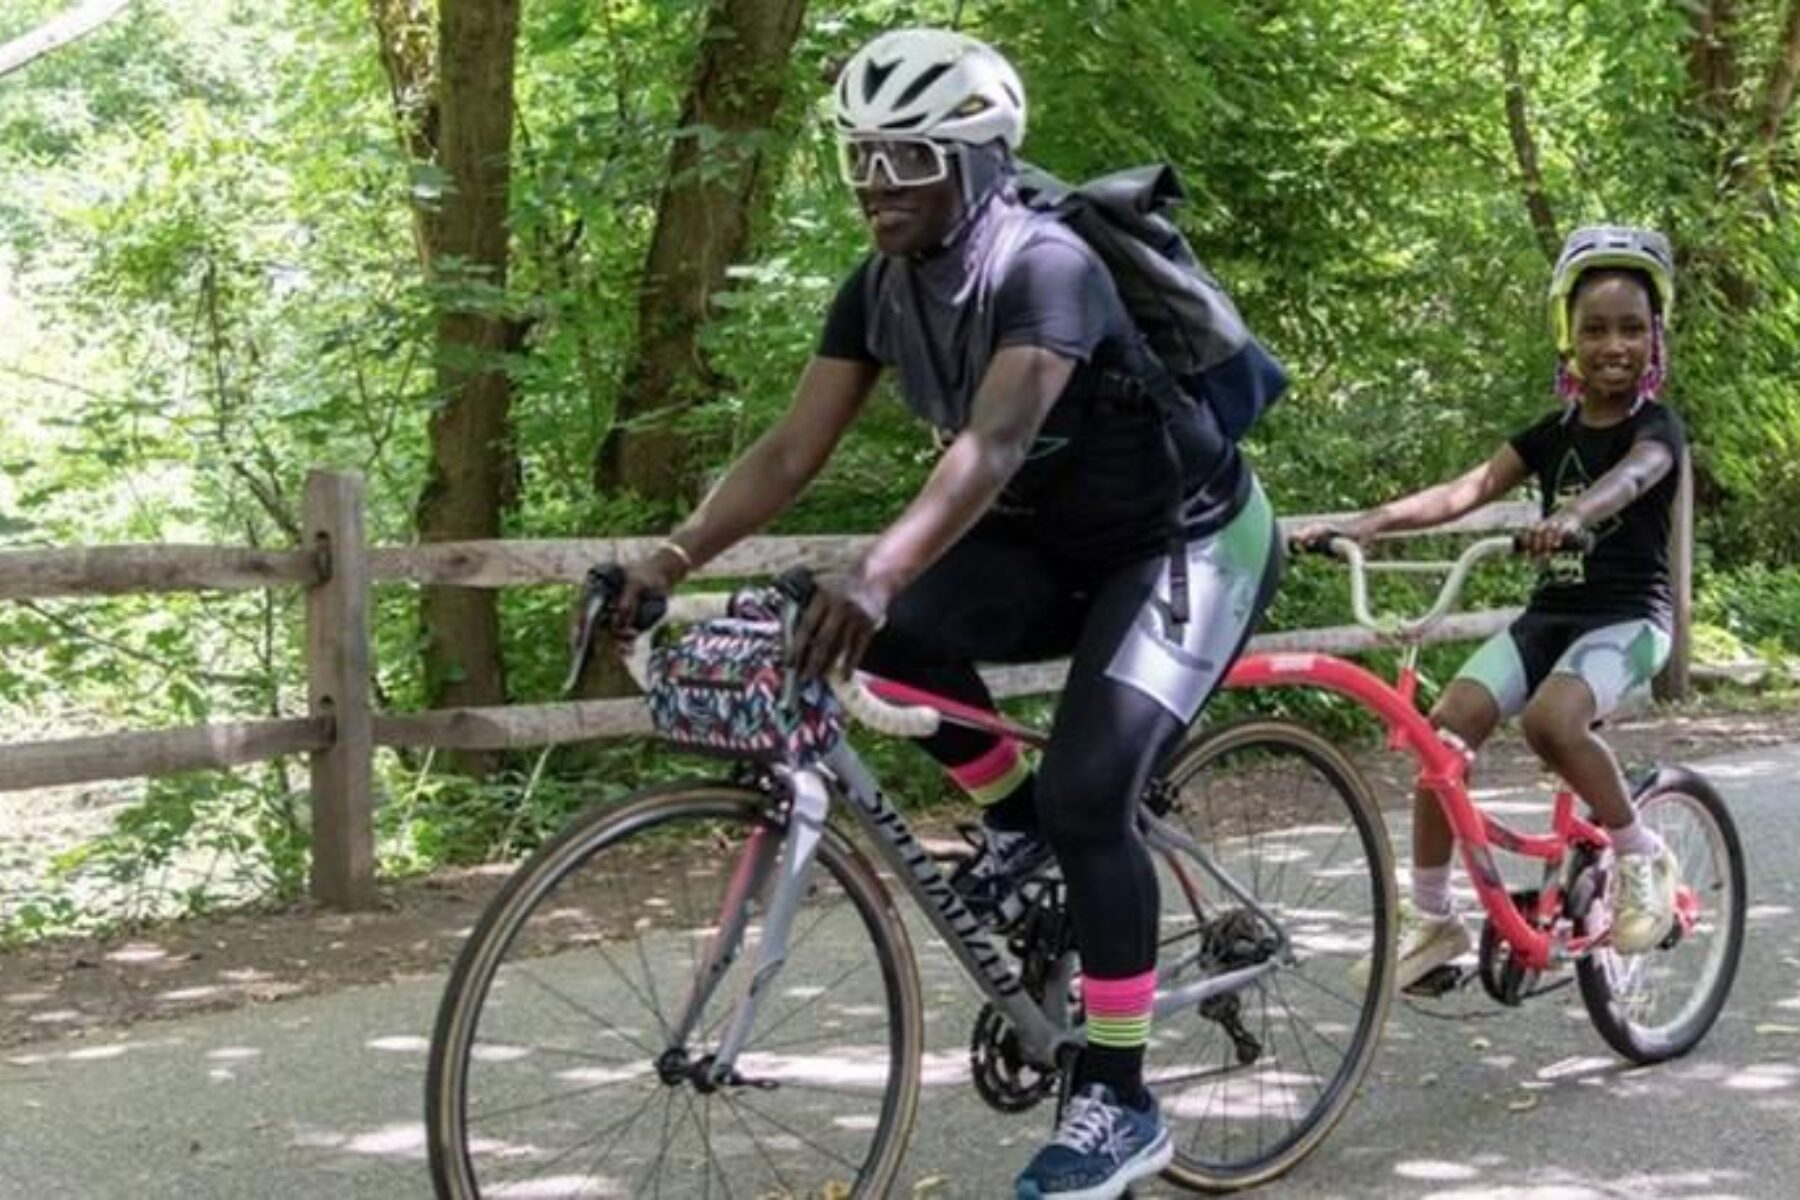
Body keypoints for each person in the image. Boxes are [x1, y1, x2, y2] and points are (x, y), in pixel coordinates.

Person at [612, 27, 1286, 1200]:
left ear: (976, 162)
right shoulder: (877, 290)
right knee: (906, 629)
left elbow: (996, 439)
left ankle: (1120, 1102)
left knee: (1091, 797)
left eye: (910, 158)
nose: (879, 185)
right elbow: (786, 452)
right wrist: (666, 559)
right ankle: (1017, 832)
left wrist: (876, 567)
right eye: (862, 158)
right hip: (1049, 546)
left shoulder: (1049, 265)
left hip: (1184, 542)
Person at [1297, 225, 1687, 991]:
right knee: (1442, 738)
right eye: (1595, 328)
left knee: (1552, 722)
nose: (1615, 344)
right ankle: (1435, 916)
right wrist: (1366, 523)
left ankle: (1642, 854)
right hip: (1550, 620)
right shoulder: (1550, 436)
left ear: (1656, 337)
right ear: (1567, 339)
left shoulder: (1655, 429)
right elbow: (1465, 491)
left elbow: (1638, 477)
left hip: (1630, 620)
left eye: (1633, 328)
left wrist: (1577, 513)